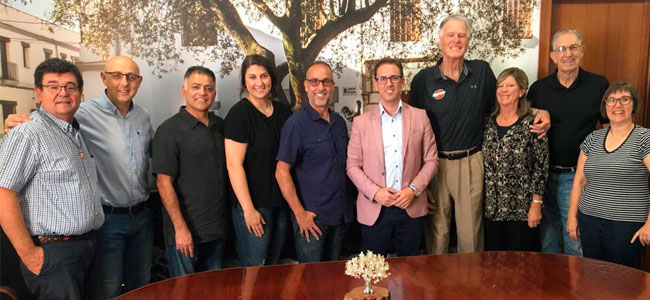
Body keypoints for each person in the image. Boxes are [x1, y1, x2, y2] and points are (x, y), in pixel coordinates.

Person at [4, 55, 154, 299]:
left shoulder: (142, 117)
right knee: (109, 290)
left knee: (142, 285)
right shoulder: (80, 114)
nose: (124, 83)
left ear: (139, 81)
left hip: (139, 218)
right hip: (106, 223)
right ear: (104, 78)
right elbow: (5, 191)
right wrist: (14, 122)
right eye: (116, 75)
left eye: (131, 77)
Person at [409, 14, 551, 254]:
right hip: (434, 165)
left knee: (471, 236)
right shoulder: (424, 80)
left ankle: (471, 287)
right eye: (451, 35)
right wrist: (419, 179)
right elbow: (412, 131)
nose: (456, 40)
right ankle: (436, 290)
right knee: (437, 234)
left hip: (471, 161)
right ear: (440, 41)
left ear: (468, 40)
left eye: (461, 35)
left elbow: (503, 103)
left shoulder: (482, 72)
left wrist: (540, 111)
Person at [0, 58, 104, 300]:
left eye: (70, 86)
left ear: (80, 93)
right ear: (38, 92)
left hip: (87, 247)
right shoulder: (27, 133)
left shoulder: (75, 133)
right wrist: (30, 255)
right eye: (53, 86)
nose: (63, 93)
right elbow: (4, 194)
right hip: (53, 254)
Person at [347, 58, 438, 257]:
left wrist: (413, 190)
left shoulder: (420, 117)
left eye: (394, 78)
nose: (389, 83)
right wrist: (375, 192)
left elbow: (431, 161)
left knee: (411, 273)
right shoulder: (361, 123)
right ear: (375, 84)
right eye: (383, 78)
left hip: (410, 206)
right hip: (375, 208)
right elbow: (352, 166)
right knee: (374, 274)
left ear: (402, 82)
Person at [529, 29, 609, 256]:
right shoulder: (539, 88)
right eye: (562, 49)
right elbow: (521, 114)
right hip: (542, 177)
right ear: (553, 56)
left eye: (573, 47)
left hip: (577, 178)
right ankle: (553, 291)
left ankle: (577, 290)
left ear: (582, 51)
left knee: (575, 241)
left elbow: (607, 129)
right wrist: (537, 109)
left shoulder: (598, 84)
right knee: (547, 242)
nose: (568, 54)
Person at [152, 66, 228, 277]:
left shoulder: (221, 127)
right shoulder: (168, 131)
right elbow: (163, 183)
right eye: (196, 87)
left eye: (208, 88)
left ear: (214, 93)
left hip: (217, 231)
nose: (202, 93)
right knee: (185, 293)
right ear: (184, 91)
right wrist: (180, 229)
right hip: (185, 234)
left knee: (215, 291)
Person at [275, 61, 353, 262]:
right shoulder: (296, 124)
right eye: (315, 82)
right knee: (312, 285)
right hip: (312, 220)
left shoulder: (339, 123)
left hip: (341, 216)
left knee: (335, 278)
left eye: (326, 82)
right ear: (306, 86)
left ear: (332, 86)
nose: (321, 87)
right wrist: (300, 214)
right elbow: (281, 171)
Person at [567, 81, 650, 269]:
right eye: (611, 100)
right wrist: (572, 216)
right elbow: (579, 181)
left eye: (624, 100)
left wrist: (649, 224)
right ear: (605, 106)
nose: (617, 105)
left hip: (626, 225)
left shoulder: (645, 138)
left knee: (623, 282)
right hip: (589, 220)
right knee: (593, 276)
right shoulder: (593, 138)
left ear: (634, 105)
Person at [224, 54, 292, 266]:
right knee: (255, 271)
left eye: (264, 76)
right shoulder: (239, 114)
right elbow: (233, 165)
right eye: (252, 77)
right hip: (255, 208)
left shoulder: (283, 112)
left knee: (273, 269)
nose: (259, 82)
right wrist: (248, 210)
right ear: (244, 82)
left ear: (271, 78)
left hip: (281, 205)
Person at [482, 67, 548, 251]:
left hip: (522, 210)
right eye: (500, 85)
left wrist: (536, 204)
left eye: (510, 85)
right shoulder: (487, 123)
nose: (504, 90)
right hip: (491, 210)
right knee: (493, 265)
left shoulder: (533, 124)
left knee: (522, 267)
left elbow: (541, 167)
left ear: (522, 91)